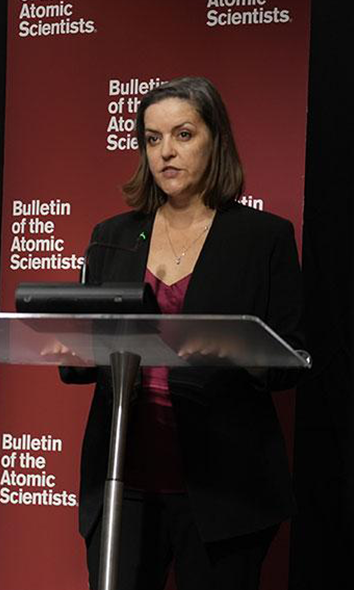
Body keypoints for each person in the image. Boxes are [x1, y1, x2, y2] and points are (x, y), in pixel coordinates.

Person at [64, 76, 305, 590]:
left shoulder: (264, 239)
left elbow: (294, 358)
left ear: (215, 139)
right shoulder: (113, 236)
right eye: (152, 139)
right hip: (121, 480)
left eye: (183, 135)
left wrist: (235, 352)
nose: (166, 152)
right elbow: (81, 353)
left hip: (225, 490)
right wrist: (74, 351)